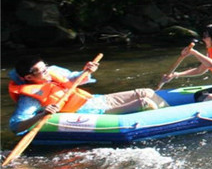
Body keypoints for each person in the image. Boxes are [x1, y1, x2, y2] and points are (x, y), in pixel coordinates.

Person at [8, 56, 159, 134]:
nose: (47, 71)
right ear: (28, 77)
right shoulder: (29, 98)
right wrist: (42, 114)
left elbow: (74, 77)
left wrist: (87, 70)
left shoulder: (54, 71)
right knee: (145, 102)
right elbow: (16, 126)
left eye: (45, 67)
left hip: (96, 100)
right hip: (92, 113)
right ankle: (161, 126)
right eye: (43, 71)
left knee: (146, 92)